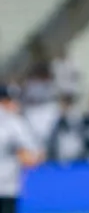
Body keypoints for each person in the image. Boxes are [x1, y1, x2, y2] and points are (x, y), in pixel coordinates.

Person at [0, 84, 44, 213]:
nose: (13, 104)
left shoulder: (18, 122)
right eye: (7, 100)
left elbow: (33, 155)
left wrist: (32, 155)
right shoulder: (15, 123)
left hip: (9, 184)